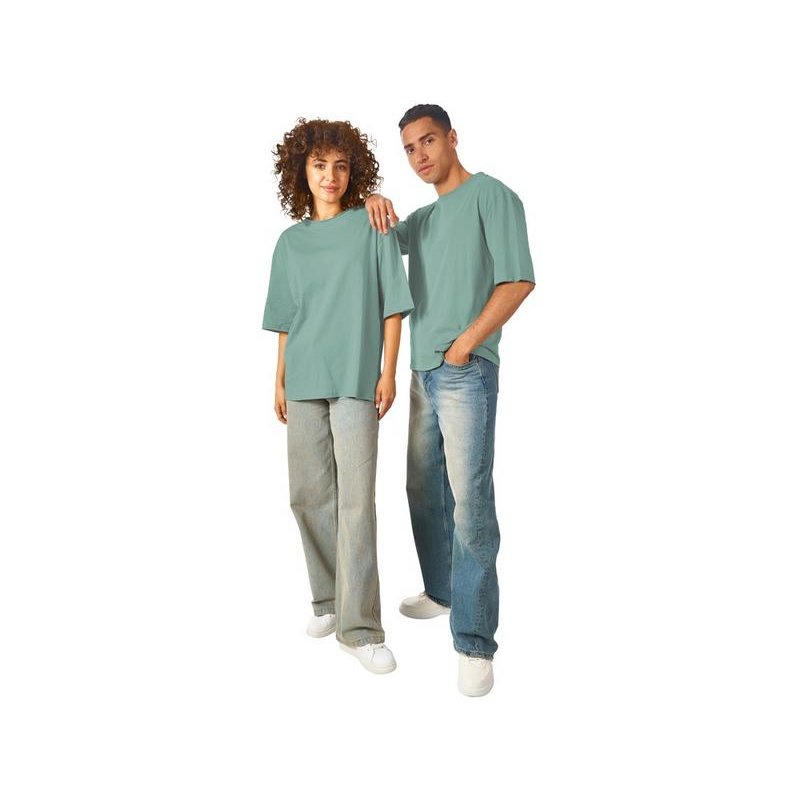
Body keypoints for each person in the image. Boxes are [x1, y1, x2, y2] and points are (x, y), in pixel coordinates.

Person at [366, 104, 535, 696]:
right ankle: (442, 590)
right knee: (423, 489)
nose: (420, 156)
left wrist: (466, 343)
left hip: (466, 370)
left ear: (452, 137)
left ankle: (474, 641)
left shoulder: (492, 196)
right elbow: (376, 237)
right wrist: (372, 199)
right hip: (421, 372)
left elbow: (518, 279)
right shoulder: (423, 219)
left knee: (471, 503)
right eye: (410, 148)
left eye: (428, 141)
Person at [263, 118, 414, 675]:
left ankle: (361, 628)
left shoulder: (371, 226)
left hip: (355, 379)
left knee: (355, 503)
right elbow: (286, 318)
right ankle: (328, 599)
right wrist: (279, 378)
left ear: (355, 173)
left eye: (341, 166)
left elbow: (393, 304)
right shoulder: (290, 243)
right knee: (306, 495)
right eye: (320, 165)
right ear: (301, 171)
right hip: (303, 380)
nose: (331, 176)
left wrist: (387, 371)